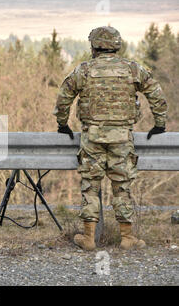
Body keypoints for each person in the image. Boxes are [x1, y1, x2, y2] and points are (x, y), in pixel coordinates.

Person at [54, 26, 167, 251]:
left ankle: (88, 238)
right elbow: (155, 92)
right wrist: (160, 123)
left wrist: (62, 123)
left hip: (92, 137)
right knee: (122, 186)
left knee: (90, 186)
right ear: (117, 44)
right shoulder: (132, 69)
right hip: (122, 137)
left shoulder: (84, 70)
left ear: (94, 46)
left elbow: (64, 96)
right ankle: (127, 238)